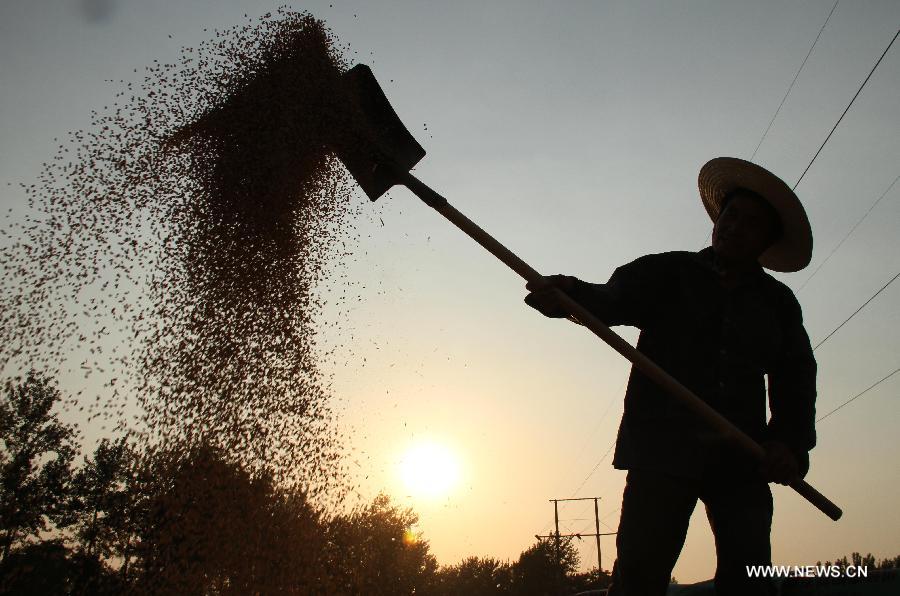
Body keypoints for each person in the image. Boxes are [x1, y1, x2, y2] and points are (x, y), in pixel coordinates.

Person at [524, 157, 817, 596]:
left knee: (751, 577)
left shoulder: (777, 304)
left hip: (741, 456)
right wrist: (569, 295)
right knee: (640, 575)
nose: (734, 227)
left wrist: (788, 445)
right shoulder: (666, 273)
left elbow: (796, 379)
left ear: (766, 241)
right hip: (661, 450)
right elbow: (608, 300)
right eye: (731, 215)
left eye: (751, 223)